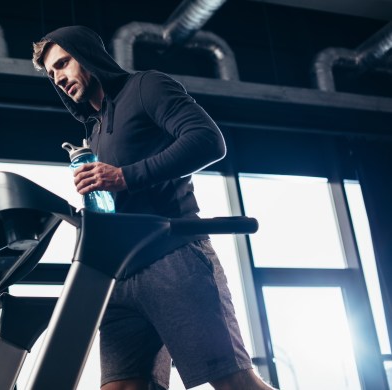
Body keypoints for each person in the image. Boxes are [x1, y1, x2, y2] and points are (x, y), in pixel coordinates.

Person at [32, 26, 276, 390]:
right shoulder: (95, 130)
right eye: (52, 74)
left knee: (233, 382)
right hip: (120, 275)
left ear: (87, 55)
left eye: (63, 63)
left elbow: (208, 141)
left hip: (173, 259)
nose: (59, 78)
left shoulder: (146, 87)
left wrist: (123, 176)